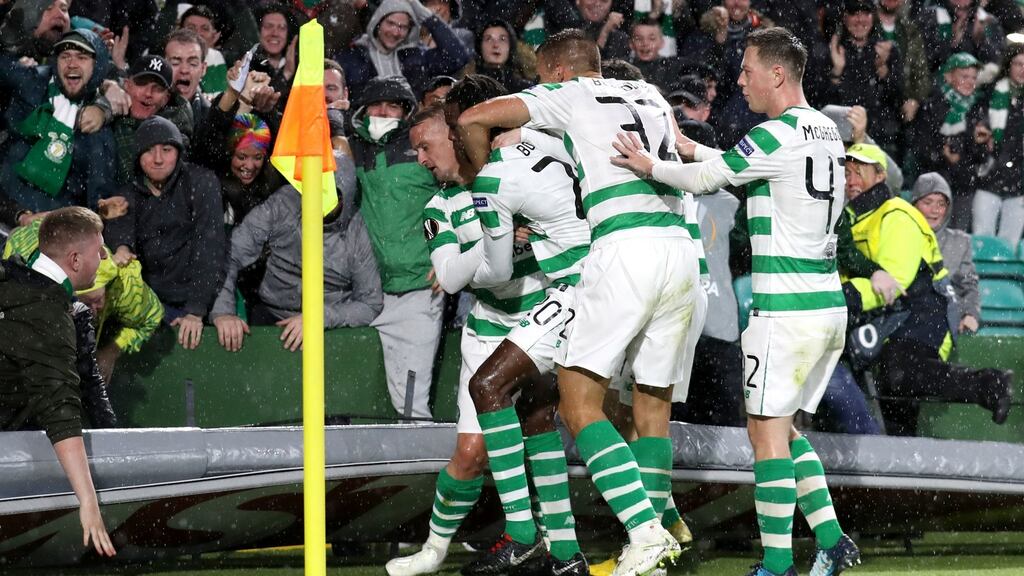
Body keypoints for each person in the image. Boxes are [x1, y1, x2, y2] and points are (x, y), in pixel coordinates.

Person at [611, 27, 858, 576]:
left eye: (747, 70)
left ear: (776, 74)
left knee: (765, 435)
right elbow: (747, 165)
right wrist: (693, 144)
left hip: (785, 310)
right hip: (825, 304)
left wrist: (651, 166)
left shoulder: (776, 132)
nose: (740, 80)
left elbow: (705, 180)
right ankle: (834, 540)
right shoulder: (822, 131)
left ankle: (775, 564)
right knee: (786, 431)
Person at [458, 30, 700, 576]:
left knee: (577, 402)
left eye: (544, 79)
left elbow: (475, 118)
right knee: (650, 413)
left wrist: (482, 183)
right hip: (680, 252)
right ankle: (660, 541)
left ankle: (645, 531)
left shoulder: (569, 94)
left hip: (623, 251)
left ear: (558, 72)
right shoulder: (652, 95)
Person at [386, 96, 559, 576]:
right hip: (486, 334)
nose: (421, 159)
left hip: (544, 319)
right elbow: (454, 275)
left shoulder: (514, 173)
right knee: (470, 453)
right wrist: (499, 241)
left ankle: (550, 542)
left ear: (454, 134)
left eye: (425, 146)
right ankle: (434, 549)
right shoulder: (438, 207)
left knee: (544, 430)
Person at [454, 75, 590, 575]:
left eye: (455, 133)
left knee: (487, 385)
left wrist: (461, 267)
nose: (455, 144)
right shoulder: (558, 142)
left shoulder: (494, 176)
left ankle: (523, 534)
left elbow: (496, 272)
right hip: (612, 276)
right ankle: (566, 553)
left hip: (580, 288)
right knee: (537, 411)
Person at [842, 144, 1013, 436]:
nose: (852, 181)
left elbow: (894, 279)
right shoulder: (852, 216)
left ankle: (989, 383)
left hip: (925, 311)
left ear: (881, 176)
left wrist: (845, 297)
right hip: (889, 317)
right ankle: (898, 467)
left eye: (860, 172)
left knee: (898, 375)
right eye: (846, 174)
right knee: (892, 398)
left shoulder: (897, 214)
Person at [0, 206, 116, 558]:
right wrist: (88, 500)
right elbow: (60, 408)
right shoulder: (48, 313)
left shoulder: (14, 280)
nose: (105, 257)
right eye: (99, 251)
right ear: (76, 259)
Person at [210, 161, 382, 352]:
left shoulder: (356, 233)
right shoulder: (283, 204)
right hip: (270, 316)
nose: (321, 201)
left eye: (330, 195)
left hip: (329, 329)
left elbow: (370, 304)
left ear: (346, 197)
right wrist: (222, 312)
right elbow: (230, 253)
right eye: (316, 191)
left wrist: (321, 318)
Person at [349, 75, 444, 420]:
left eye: (394, 106)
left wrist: (453, 258)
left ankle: (423, 469)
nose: (384, 111)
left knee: (410, 405)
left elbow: (457, 196)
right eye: (377, 104)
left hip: (419, 288)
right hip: (363, 293)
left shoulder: (425, 149)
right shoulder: (352, 147)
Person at [105, 116, 226, 351]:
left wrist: (196, 311)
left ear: (178, 153)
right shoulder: (128, 193)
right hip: (151, 305)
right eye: (149, 151)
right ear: (138, 157)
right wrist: (122, 249)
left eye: (167, 150)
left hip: (197, 302)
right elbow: (121, 227)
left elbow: (209, 248)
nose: (158, 159)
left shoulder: (201, 183)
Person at [4, 219, 164, 385]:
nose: (95, 308)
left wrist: (112, 350)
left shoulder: (124, 285)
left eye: (99, 299)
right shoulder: (26, 278)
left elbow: (152, 318)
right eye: (87, 303)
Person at [0, 29, 117, 215]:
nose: (72, 64)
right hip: (5, 211)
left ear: (98, 65)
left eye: (82, 57)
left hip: (52, 232)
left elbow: (98, 204)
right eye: (65, 56)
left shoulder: (97, 131)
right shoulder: (32, 85)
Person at [337, 0, 470, 101]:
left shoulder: (415, 57)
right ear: (377, 22)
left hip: (408, 132)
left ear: (410, 31)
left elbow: (457, 58)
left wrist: (427, 16)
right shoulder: (352, 57)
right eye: (390, 23)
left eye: (403, 27)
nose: (395, 32)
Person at [912, 172, 980, 335]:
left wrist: (970, 313)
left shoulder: (960, 242)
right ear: (914, 205)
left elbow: (968, 286)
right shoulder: (900, 236)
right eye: (927, 202)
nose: (934, 210)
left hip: (943, 321)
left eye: (941, 204)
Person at [973, 42, 1024, 243]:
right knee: (981, 237)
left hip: (1020, 182)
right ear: (1008, 66)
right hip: (989, 175)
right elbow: (976, 129)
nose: (1022, 70)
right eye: (1018, 64)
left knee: (1009, 243)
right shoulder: (990, 94)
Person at [463, 19, 534, 93]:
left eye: (502, 39)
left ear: (511, 46)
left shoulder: (526, 88)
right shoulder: (466, 88)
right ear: (479, 46)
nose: (496, 45)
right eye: (488, 39)